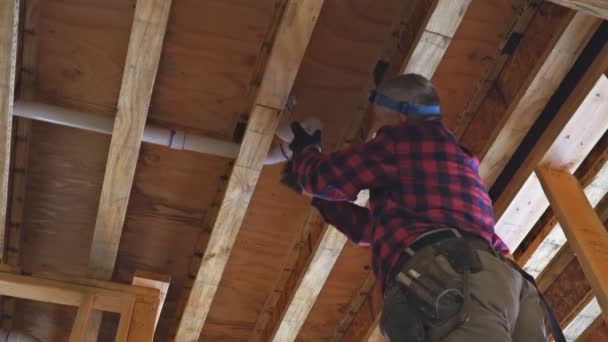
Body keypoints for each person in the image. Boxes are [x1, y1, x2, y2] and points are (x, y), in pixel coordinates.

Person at [281, 74, 552, 342]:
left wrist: (305, 150)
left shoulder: (402, 139)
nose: (377, 134)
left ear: (400, 118)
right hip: (506, 283)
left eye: (379, 125)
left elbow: (324, 177)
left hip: (453, 277)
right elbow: (371, 230)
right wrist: (318, 198)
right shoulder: (457, 159)